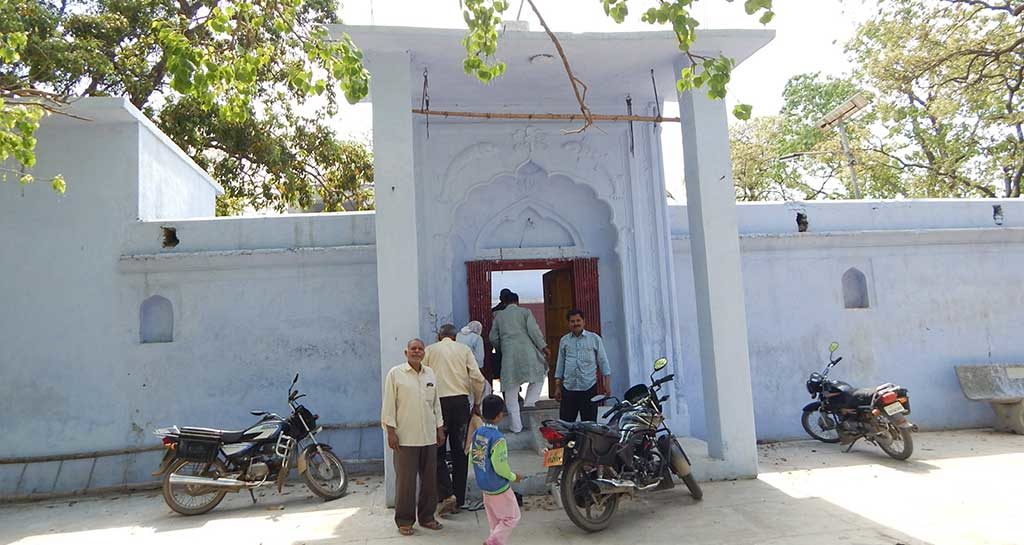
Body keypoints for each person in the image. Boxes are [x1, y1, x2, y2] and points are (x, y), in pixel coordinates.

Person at [381, 338, 446, 536]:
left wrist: (440, 428)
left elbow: (435, 404)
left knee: (429, 481)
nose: (417, 351)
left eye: (420, 349)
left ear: (424, 353)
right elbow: (389, 405)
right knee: (405, 483)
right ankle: (404, 520)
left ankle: (427, 517)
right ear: (406, 352)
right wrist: (391, 432)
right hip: (405, 438)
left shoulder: (430, 373)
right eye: (413, 349)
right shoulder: (395, 374)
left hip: (428, 436)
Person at [423, 324, 486, 515]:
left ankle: (445, 494)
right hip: (460, 403)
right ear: (454, 337)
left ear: (439, 336)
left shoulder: (430, 351)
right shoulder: (463, 349)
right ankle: (458, 499)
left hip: (437, 404)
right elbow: (478, 378)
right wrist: (476, 401)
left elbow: (422, 376)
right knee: (460, 452)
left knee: (437, 451)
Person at [489, 292, 549, 433]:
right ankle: (529, 402)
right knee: (540, 374)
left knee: (510, 392)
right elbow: (534, 331)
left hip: (509, 355)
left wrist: (501, 348)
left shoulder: (499, 316)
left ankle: (516, 427)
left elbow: (493, 338)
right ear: (517, 301)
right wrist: (543, 347)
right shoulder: (525, 312)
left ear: (503, 303)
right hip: (528, 353)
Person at [471, 395, 522, 545]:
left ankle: (495, 540)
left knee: (495, 521)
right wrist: (513, 477)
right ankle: (492, 542)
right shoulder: (498, 438)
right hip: (498, 486)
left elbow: (473, 458)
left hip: (483, 484)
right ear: (500, 415)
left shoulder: (478, 433)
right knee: (511, 517)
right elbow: (500, 467)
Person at [554, 309, 612, 423]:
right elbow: (560, 364)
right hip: (569, 389)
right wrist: (557, 387)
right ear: (568, 323)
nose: (575, 323)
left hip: (588, 388)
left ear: (584, 321)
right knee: (565, 425)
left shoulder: (594, 338)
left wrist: (607, 384)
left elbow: (603, 362)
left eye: (578, 320)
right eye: (572, 321)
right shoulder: (564, 340)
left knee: (589, 426)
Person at [456, 320, 490, 398]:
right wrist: (480, 371)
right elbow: (479, 357)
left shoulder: (458, 335)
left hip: (458, 367)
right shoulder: (477, 338)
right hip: (471, 367)